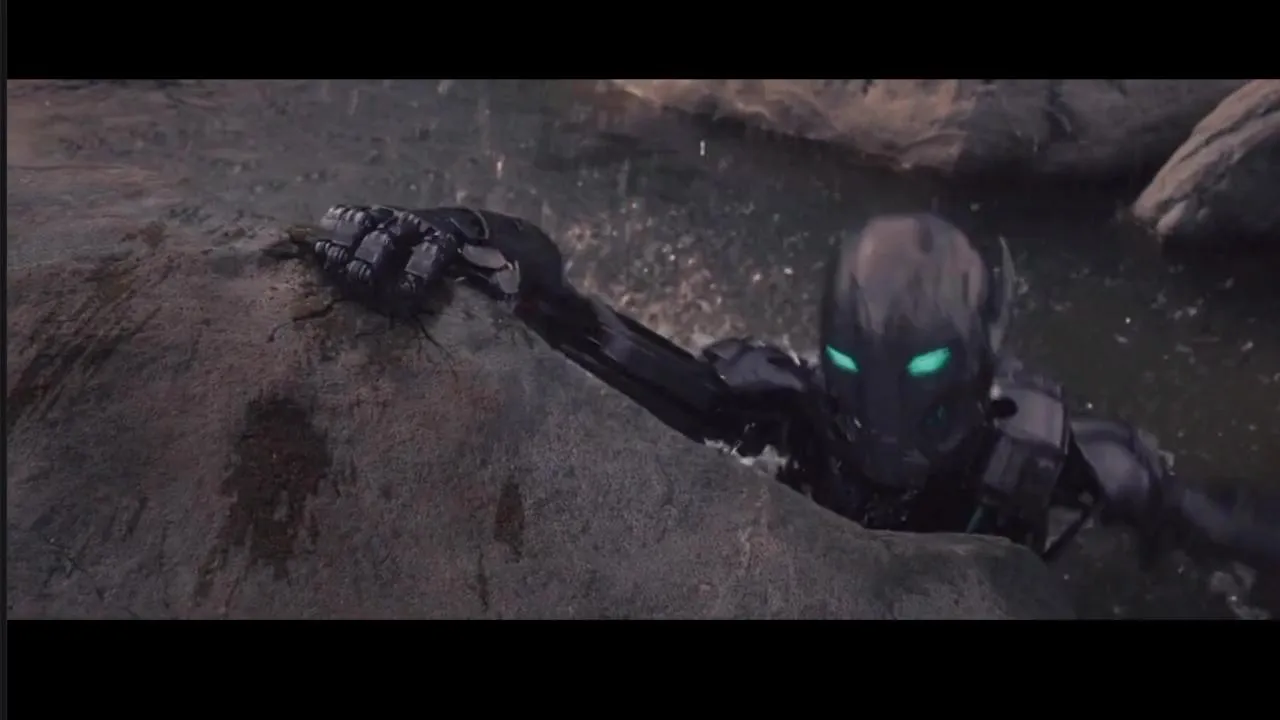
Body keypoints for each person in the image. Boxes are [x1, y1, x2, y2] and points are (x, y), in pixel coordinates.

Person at [303, 204, 1280, 565]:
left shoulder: (1065, 460)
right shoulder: (778, 404)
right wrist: (463, 238)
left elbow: (1232, 529)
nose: (886, 433)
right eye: (854, 376)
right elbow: (577, 318)